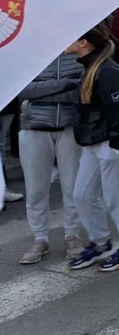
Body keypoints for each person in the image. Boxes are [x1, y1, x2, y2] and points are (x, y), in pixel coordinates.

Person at [66, 25, 119, 272]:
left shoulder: (106, 70)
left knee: (116, 197)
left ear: (84, 43)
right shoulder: (92, 66)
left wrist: (116, 144)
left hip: (114, 142)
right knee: (82, 194)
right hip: (96, 141)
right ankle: (100, 242)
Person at [17, 51, 85, 264]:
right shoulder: (30, 53)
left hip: (71, 126)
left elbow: (84, 90)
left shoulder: (79, 51)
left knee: (72, 185)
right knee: (36, 187)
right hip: (34, 126)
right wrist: (66, 84)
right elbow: (23, 90)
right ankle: (40, 238)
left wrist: (42, 91)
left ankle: (72, 235)